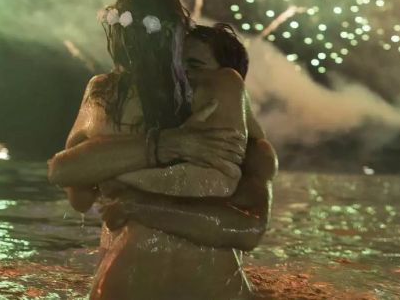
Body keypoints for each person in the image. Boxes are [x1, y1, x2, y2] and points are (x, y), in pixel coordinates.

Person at [47, 0, 254, 299]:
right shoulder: (227, 87)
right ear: (181, 32)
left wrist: (115, 167)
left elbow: (78, 196)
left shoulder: (102, 94)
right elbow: (248, 203)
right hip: (217, 286)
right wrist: (172, 145)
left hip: (126, 283)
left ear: (117, 33)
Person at [95, 24, 277, 252]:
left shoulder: (254, 150)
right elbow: (78, 189)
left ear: (231, 84)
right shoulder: (146, 131)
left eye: (194, 66)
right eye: (175, 65)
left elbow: (249, 231)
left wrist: (138, 205)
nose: (179, 75)